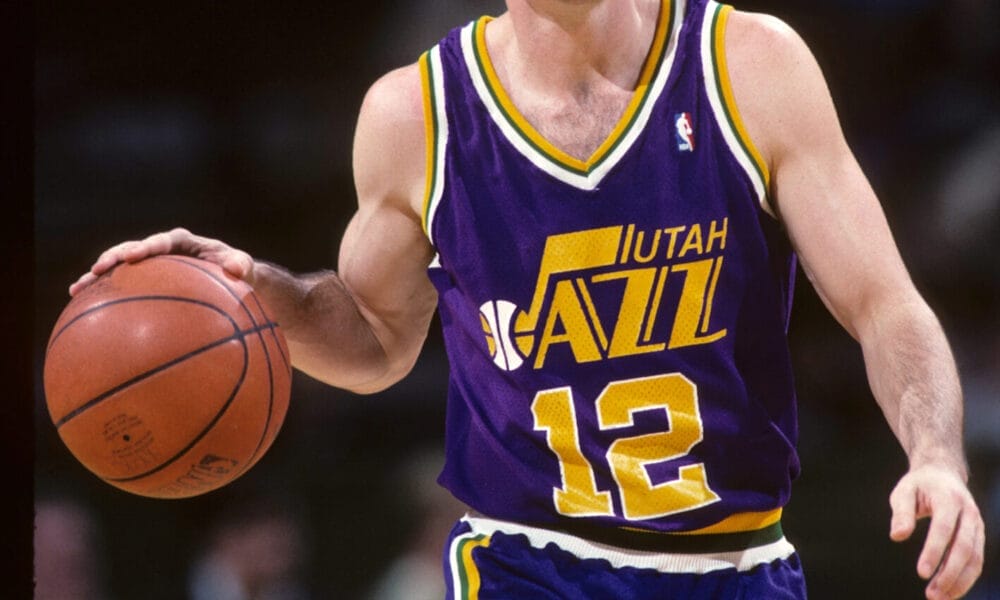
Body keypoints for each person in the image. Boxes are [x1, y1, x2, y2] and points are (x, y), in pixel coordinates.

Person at [70, 0, 985, 598]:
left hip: (736, 564)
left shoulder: (749, 67)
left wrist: (936, 456)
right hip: (529, 562)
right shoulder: (416, 115)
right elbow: (377, 339)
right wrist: (253, 295)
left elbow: (885, 306)